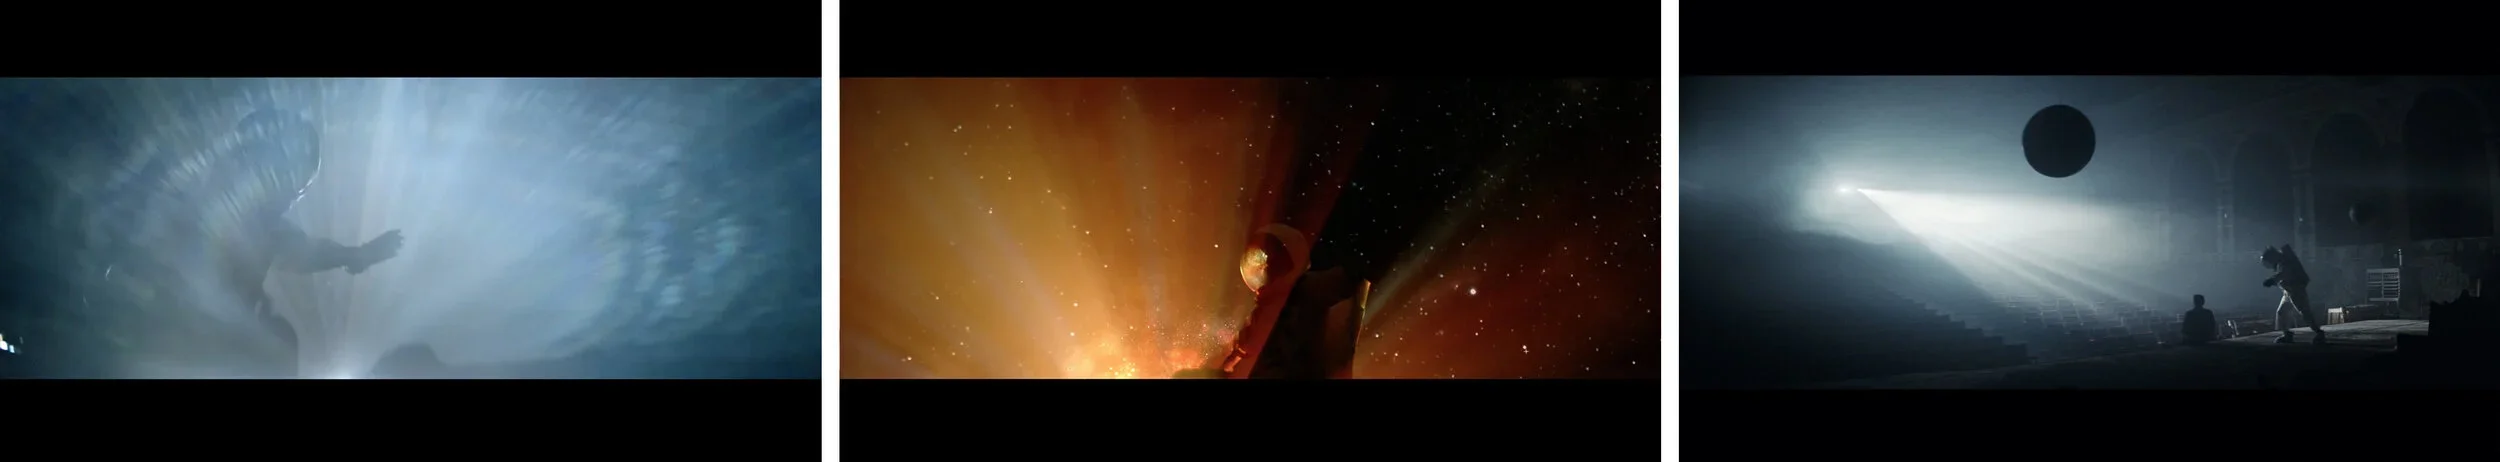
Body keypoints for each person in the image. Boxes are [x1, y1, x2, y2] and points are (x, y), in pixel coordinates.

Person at [214, 108, 406, 367]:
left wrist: (356, 255)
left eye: (299, 190)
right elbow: (299, 250)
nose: (292, 199)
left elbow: (303, 252)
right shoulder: (214, 218)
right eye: (291, 186)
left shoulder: (262, 225)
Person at [2261, 244, 2326, 344]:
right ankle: (2287, 334)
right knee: (2282, 312)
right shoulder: (2282, 262)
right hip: (2288, 292)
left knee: (2304, 312)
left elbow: (2284, 274)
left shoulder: (2285, 262)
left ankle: (2319, 333)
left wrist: (2272, 280)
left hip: (2296, 291)